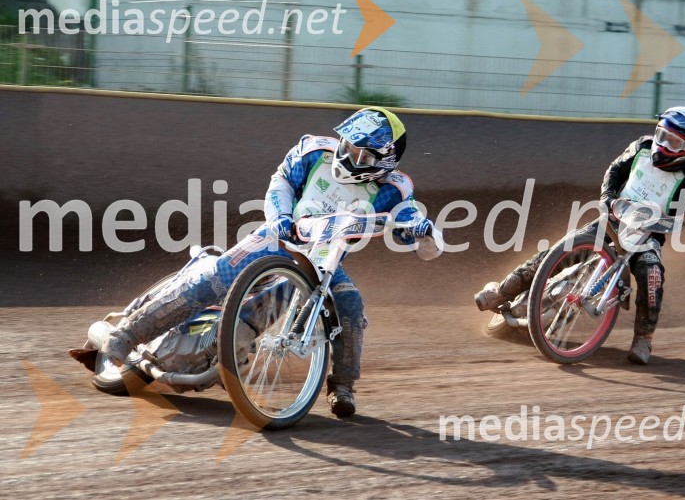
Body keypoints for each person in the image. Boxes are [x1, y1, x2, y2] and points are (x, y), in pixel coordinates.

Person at [98, 107, 442, 416]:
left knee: (350, 303)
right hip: (278, 235)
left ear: (382, 162)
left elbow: (421, 240)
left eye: (360, 154)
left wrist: (423, 233)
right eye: (347, 145)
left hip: (324, 260)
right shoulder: (313, 150)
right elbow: (281, 182)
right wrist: (279, 215)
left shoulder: (394, 189)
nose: (348, 154)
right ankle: (127, 336)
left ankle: (342, 386)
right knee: (215, 278)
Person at [474, 106, 685, 364]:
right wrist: (608, 196)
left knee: (652, 277)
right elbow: (615, 169)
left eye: (672, 141)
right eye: (661, 135)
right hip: (613, 221)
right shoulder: (642, 147)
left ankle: (643, 339)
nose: (662, 144)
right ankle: (502, 291)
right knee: (559, 251)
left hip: (647, 238)